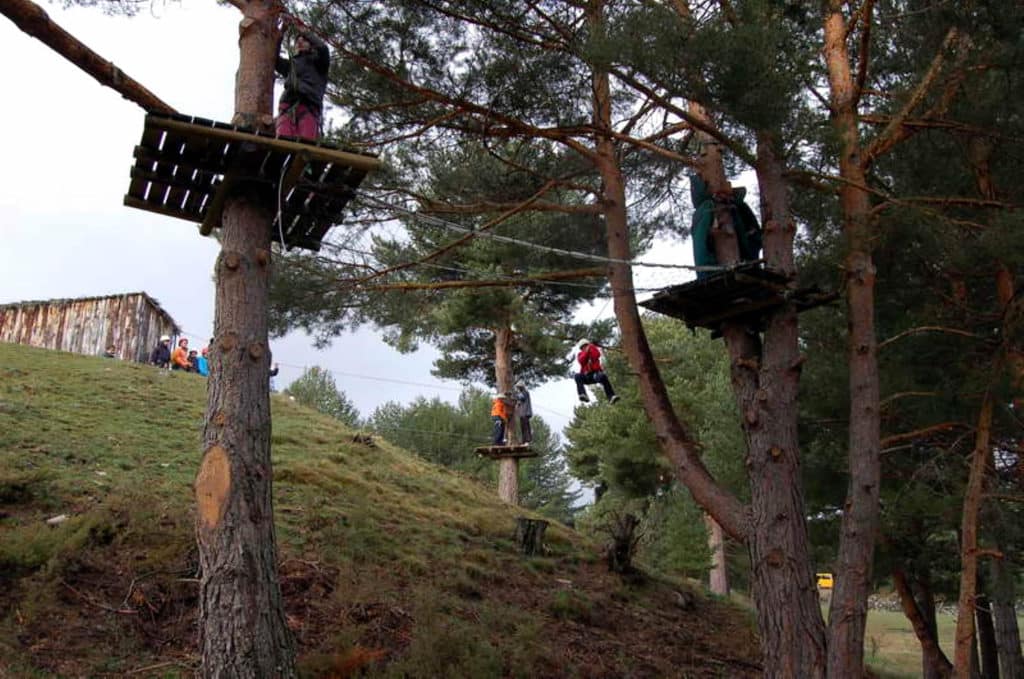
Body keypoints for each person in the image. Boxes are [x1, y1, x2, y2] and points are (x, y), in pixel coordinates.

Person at [689, 173, 762, 280]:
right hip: (713, 267)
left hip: (742, 259)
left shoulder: (738, 208)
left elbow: (752, 228)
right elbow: (701, 241)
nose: (723, 197)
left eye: (727, 194)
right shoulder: (706, 207)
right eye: (720, 194)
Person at [274, 19, 330, 140]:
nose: (300, 42)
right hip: (287, 105)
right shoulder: (291, 66)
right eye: (297, 41)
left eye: (304, 41)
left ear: (311, 45)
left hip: (309, 105)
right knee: (282, 143)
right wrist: (281, 34)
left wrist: (304, 31)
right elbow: (274, 59)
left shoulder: (319, 64)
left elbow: (323, 48)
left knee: (306, 144)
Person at [574, 339, 619, 404]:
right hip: (586, 376)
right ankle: (583, 394)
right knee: (577, 376)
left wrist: (592, 347)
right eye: (583, 347)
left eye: (586, 346)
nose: (585, 347)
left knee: (603, 376)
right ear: (581, 348)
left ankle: (611, 396)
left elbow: (596, 355)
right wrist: (587, 351)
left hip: (595, 375)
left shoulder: (592, 350)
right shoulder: (580, 354)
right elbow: (582, 360)